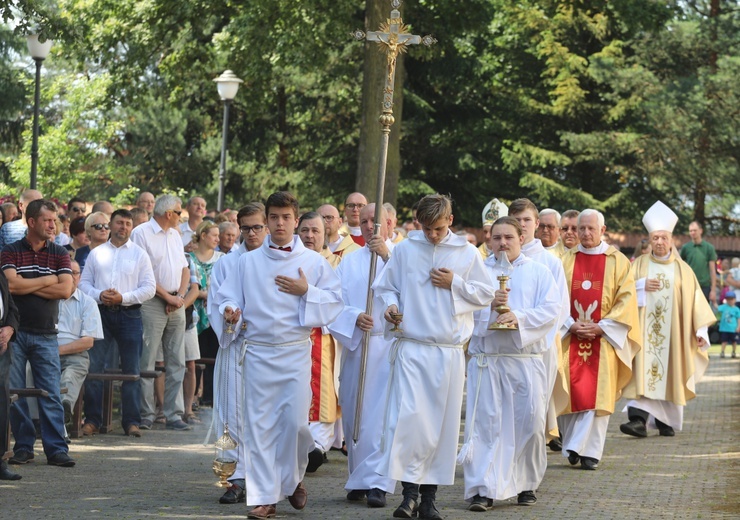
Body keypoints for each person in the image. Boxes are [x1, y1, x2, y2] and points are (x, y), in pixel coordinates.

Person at [215, 191, 343, 519]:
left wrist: (307, 292)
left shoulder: (313, 263)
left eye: (287, 217)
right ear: (267, 220)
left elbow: (334, 302)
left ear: (296, 220)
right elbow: (228, 298)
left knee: (295, 427)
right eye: (274, 217)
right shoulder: (247, 262)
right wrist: (231, 312)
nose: (280, 223)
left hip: (295, 353)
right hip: (257, 353)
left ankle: (294, 478)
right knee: (259, 429)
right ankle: (266, 498)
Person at [372, 194, 495, 519]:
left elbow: (486, 294)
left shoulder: (467, 254)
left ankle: (429, 500)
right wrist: (392, 308)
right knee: (410, 423)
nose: (432, 235)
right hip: (412, 347)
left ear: (450, 221)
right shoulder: (405, 251)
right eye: (426, 229)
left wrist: (456, 283)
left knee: (440, 429)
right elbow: (386, 288)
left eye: (438, 229)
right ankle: (408, 494)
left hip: (447, 352)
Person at [461, 216, 561, 510]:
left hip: (523, 359)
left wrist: (520, 318)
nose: (502, 243)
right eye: (497, 238)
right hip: (487, 360)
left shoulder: (539, 271)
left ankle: (526, 483)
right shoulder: (477, 272)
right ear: (489, 240)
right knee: (485, 424)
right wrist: (488, 308)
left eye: (509, 238)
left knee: (528, 423)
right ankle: (482, 487)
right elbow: (462, 312)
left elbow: (551, 309)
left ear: (521, 239)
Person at [620, 201, 716, 439]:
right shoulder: (638, 265)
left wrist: (700, 331)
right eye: (655, 238)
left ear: (672, 239)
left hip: (674, 335)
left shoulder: (683, 270)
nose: (660, 242)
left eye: (664, 238)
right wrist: (640, 286)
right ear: (650, 240)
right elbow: (622, 294)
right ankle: (638, 421)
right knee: (642, 373)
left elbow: (696, 302)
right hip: (643, 335)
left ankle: (665, 421)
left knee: (672, 372)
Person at [558, 209, 640, 471]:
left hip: (603, 339)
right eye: (581, 228)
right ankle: (572, 443)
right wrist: (570, 324)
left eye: (591, 228)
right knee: (569, 392)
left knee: (598, 395)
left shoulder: (618, 261)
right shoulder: (565, 260)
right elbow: (555, 298)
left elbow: (626, 299)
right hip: (570, 336)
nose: (584, 233)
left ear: (603, 230)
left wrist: (601, 327)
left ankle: (589, 451)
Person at [328, 203, 397, 507]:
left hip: (389, 347)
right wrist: (354, 316)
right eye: (366, 221)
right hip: (358, 346)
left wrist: (386, 256)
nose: (370, 226)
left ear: (390, 223)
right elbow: (334, 303)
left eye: (376, 221)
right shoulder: (350, 262)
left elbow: (412, 290)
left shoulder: (400, 257)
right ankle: (358, 478)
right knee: (356, 410)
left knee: (382, 417)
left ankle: (379, 483)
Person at [2, 199, 75, 467]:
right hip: (16, 333)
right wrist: (49, 279)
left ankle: (56, 449)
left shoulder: (60, 252)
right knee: (16, 391)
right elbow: (9, 285)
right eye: (47, 220)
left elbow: (66, 290)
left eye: (54, 220)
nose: (52, 225)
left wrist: (26, 284)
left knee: (51, 392)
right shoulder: (10, 251)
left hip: (46, 333)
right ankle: (23, 447)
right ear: (31, 222)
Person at [206, 202, 268, 505]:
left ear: (267, 226)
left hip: (269, 350)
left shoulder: (276, 259)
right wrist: (229, 316)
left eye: (257, 226)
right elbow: (216, 302)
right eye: (246, 228)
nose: (252, 233)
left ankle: (269, 479)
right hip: (236, 346)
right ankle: (233, 477)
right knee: (231, 414)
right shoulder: (226, 263)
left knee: (265, 415)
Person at [79, 209, 156, 437]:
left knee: (131, 369)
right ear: (110, 225)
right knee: (94, 367)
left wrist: (123, 297)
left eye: (127, 224)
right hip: (101, 313)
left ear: (132, 227)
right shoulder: (96, 253)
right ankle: (93, 420)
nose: (123, 227)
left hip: (129, 315)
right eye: (119, 223)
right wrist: (100, 294)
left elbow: (149, 288)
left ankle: (131, 421)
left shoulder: (140, 254)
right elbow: (83, 284)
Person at [508, 199, 570, 452]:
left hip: (540, 348)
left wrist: (532, 331)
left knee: (536, 406)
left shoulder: (550, 261)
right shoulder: (498, 258)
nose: (522, 225)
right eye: (517, 220)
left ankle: (531, 456)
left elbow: (560, 308)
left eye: (527, 220)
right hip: (505, 347)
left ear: (536, 223)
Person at [130, 195, 191, 432]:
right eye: (179, 213)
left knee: (177, 360)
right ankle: (145, 414)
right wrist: (167, 297)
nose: (180, 217)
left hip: (177, 301)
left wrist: (179, 297)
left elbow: (185, 269)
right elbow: (143, 274)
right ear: (168, 214)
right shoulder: (141, 233)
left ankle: (173, 414)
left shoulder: (176, 235)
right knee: (147, 360)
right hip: (152, 302)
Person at [296, 211, 344, 473]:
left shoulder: (334, 263)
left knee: (323, 388)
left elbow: (338, 299)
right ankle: (299, 442)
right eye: (305, 230)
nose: (310, 235)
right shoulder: (286, 259)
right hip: (291, 337)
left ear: (325, 234)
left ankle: (318, 446)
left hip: (323, 336)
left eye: (315, 231)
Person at [57, 260, 104, 429]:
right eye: (66, 272)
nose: (71, 277)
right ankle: (34, 421)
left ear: (80, 276)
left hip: (75, 355)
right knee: (28, 371)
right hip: (44, 352)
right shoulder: (47, 299)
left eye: (75, 273)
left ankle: (62, 410)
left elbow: (88, 341)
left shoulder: (88, 302)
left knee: (71, 374)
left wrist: (56, 351)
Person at [188, 221, 224, 413]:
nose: (218, 239)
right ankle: (192, 397)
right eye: (214, 235)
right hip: (194, 313)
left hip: (215, 314)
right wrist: (201, 294)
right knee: (194, 357)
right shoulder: (189, 258)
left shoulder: (222, 258)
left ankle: (209, 397)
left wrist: (207, 294)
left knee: (212, 355)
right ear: (203, 235)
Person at [0, 270, 20, 480]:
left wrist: (9, 329)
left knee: (1, 403)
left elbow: (12, 307)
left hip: (2, 346)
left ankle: (0, 461)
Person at [680, 221, 718, 305]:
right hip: (689, 285)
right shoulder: (685, 248)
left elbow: (712, 270)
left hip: (704, 286)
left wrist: (713, 290)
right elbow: (680, 265)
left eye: (695, 230)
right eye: (690, 231)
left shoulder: (709, 247)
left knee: (703, 316)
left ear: (701, 231)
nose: (692, 233)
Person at [717, 292, 740, 359]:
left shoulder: (737, 309)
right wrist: (714, 301)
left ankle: (733, 352)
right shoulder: (724, 307)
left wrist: (738, 327)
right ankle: (722, 352)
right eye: (728, 299)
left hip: (733, 329)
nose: (730, 301)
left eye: (731, 299)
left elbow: (738, 318)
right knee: (724, 341)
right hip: (725, 328)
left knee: (734, 341)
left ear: (735, 299)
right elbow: (717, 308)